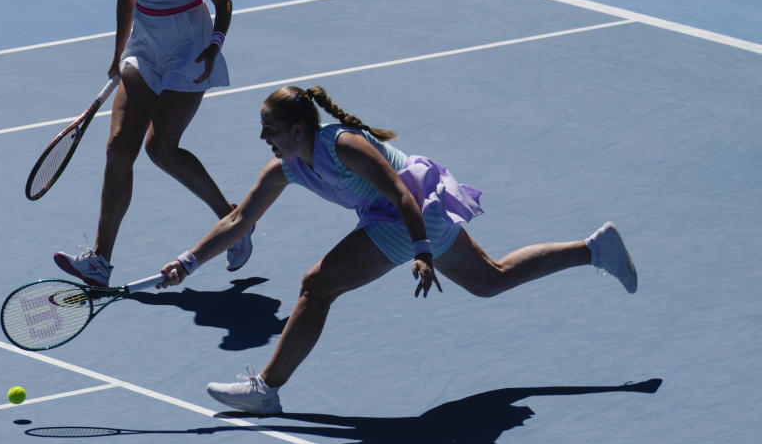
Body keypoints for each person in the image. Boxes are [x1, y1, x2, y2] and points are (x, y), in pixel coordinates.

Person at [156, 85, 638, 415]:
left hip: (410, 215)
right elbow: (240, 220)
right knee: (492, 279)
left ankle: (267, 389)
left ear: (299, 130)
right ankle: (595, 249)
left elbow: (401, 195)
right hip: (394, 217)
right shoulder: (284, 167)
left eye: (271, 130)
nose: (264, 138)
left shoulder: (342, 147)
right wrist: (188, 261)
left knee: (316, 285)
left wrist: (422, 252)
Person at [54, 0, 254, 286]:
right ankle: (100, 261)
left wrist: (214, 48)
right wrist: (117, 52)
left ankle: (234, 221)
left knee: (161, 149)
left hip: (189, 46)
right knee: (117, 149)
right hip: (145, 44)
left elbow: (225, 2)